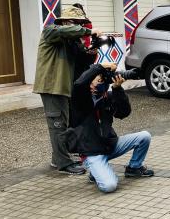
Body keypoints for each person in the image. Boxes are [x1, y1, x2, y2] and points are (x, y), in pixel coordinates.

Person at [63, 63, 154, 193]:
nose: (98, 83)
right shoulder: (80, 98)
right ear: (89, 82)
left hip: (109, 145)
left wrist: (117, 89)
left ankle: (134, 168)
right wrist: (100, 66)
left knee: (144, 136)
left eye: (102, 81)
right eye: (96, 80)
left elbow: (123, 113)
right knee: (109, 186)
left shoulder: (107, 97)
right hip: (92, 152)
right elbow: (79, 84)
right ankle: (96, 172)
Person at [33, 6, 102, 174]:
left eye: (81, 23)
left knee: (62, 124)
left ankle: (59, 158)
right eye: (75, 22)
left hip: (63, 87)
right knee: (57, 125)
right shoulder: (51, 31)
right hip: (51, 86)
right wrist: (88, 31)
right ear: (64, 21)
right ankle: (63, 163)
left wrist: (92, 51)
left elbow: (81, 61)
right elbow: (66, 31)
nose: (79, 26)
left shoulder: (72, 40)